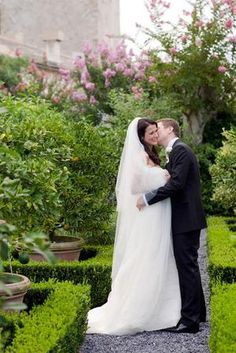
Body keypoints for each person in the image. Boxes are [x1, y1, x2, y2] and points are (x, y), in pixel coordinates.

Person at [87, 117, 181, 335]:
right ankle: (137, 311)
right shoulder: (139, 156)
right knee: (146, 257)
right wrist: (162, 179)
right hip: (149, 217)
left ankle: (166, 307)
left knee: (161, 256)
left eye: (156, 132)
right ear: (141, 137)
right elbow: (133, 187)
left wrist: (162, 177)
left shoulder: (153, 155)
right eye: (151, 133)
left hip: (159, 214)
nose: (155, 136)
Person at [137, 118, 207, 334]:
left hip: (186, 219)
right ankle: (198, 314)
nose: (156, 132)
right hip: (185, 219)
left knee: (187, 268)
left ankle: (189, 321)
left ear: (170, 129)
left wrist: (148, 198)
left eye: (159, 128)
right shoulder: (175, 152)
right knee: (189, 267)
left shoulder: (181, 151)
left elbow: (176, 185)